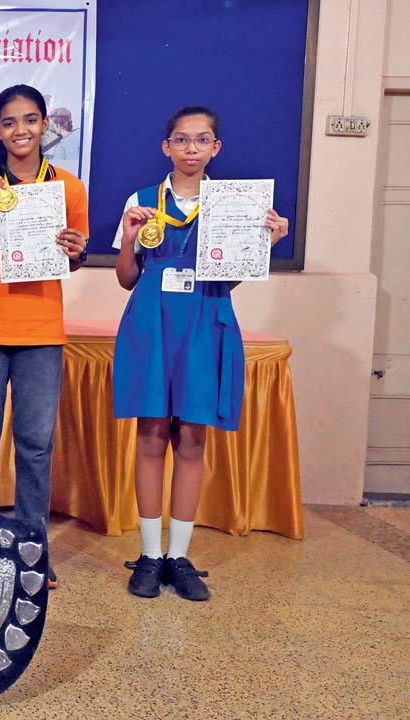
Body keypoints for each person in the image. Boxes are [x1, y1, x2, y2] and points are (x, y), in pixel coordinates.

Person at [114, 106, 289, 601]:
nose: (191, 148)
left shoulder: (236, 206)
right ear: (165, 147)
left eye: (202, 139)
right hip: (151, 322)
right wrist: (128, 239)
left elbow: (228, 280)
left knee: (192, 438)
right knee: (150, 435)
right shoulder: (141, 201)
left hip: (205, 320)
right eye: (181, 139)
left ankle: (179, 556)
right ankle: (149, 555)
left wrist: (264, 244)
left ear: (217, 148)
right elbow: (128, 277)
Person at [0, 84, 90, 591]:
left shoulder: (68, 189)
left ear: (44, 127)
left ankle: (32, 550)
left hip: (40, 332)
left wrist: (75, 251)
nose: (20, 131)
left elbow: (72, 260)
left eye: (30, 120)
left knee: (35, 444)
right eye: (9, 123)